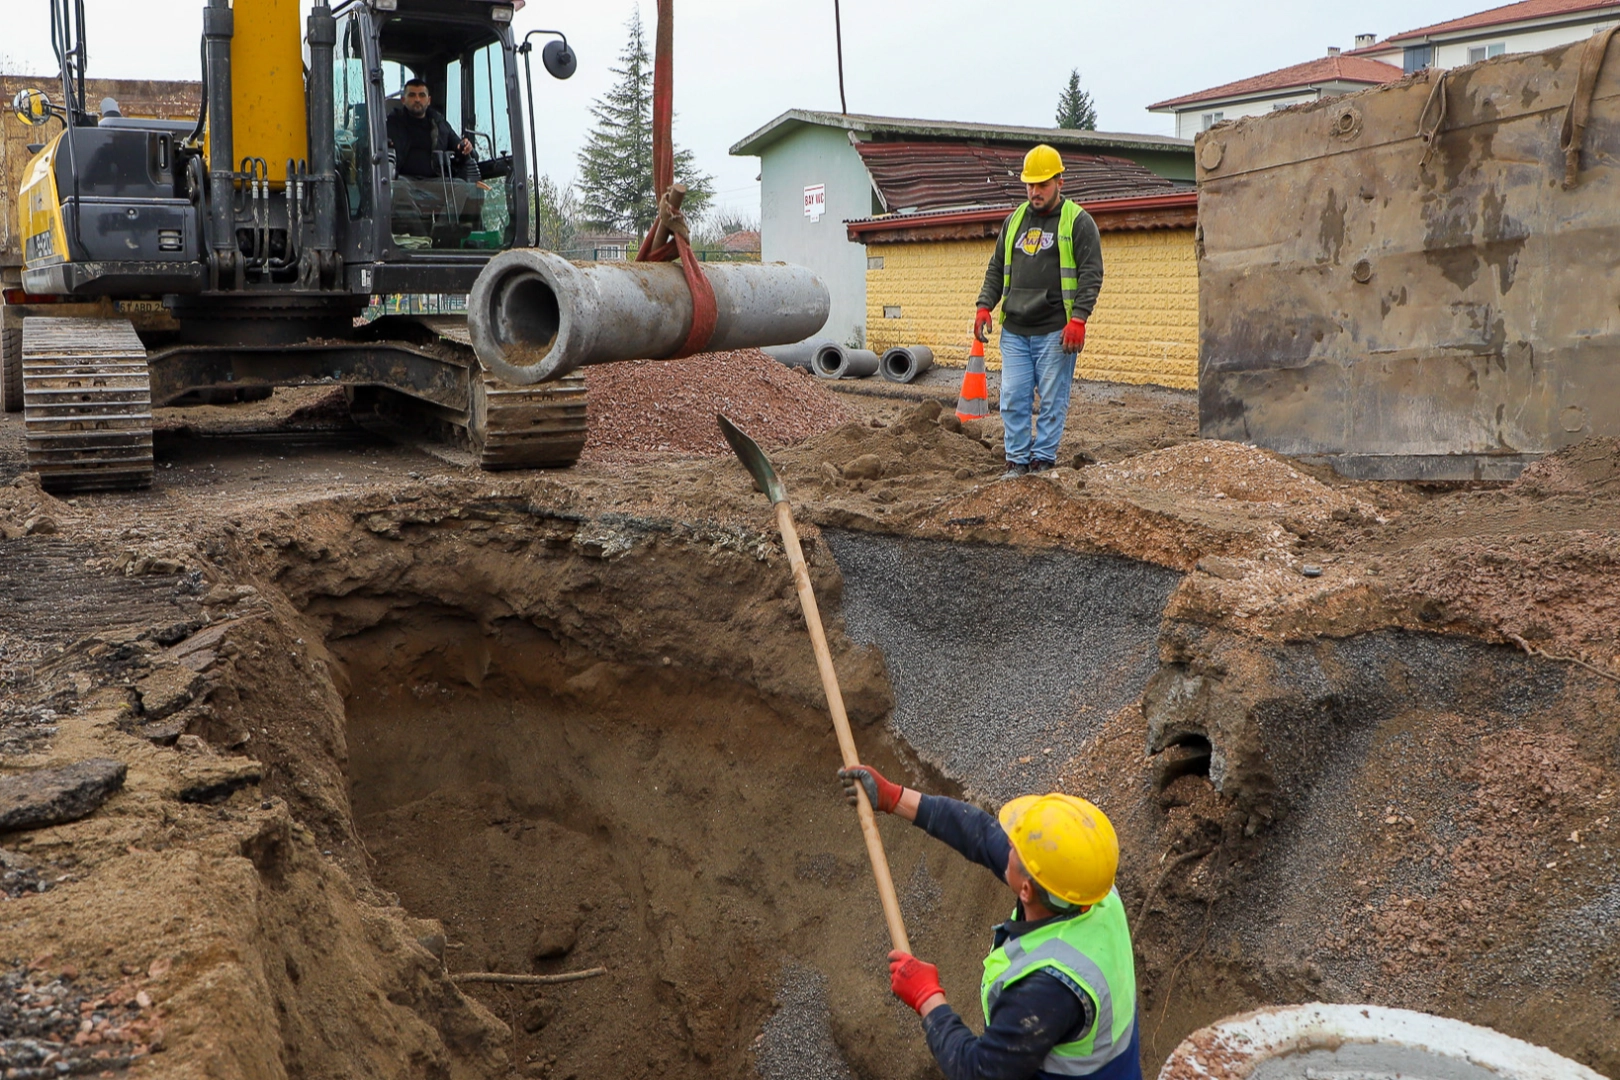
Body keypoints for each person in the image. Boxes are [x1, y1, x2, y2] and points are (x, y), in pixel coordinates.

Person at [839, 764, 1140, 1080]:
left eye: (1014, 848)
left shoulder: (1048, 989)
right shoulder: (1086, 889)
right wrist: (895, 798)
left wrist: (926, 997)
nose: (1006, 843)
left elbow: (978, 1071)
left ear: (1026, 889)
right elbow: (981, 834)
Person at [974, 144, 1104, 480]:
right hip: (1015, 330)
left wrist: (1079, 319)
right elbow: (995, 267)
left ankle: (1043, 460)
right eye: (1030, 184)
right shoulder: (1015, 220)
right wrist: (984, 305)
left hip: (1054, 331)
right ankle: (1017, 462)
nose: (1034, 191)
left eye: (1042, 184)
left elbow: (1092, 272)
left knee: (1051, 400)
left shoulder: (1077, 221)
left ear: (1060, 182)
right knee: (1013, 397)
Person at [386, 78, 473, 179]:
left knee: (462, 187)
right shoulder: (391, 124)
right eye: (412, 95)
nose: (417, 99)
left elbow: (457, 145)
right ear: (403, 100)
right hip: (401, 184)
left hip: (437, 185)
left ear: (429, 100)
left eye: (422, 95)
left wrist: (465, 146)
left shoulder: (440, 124)